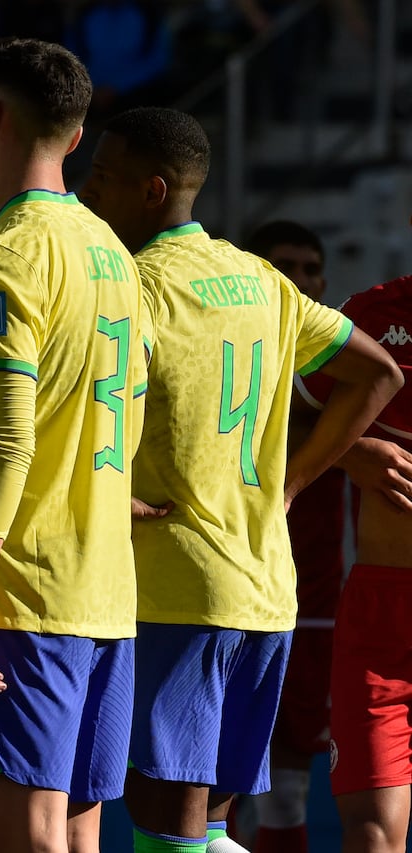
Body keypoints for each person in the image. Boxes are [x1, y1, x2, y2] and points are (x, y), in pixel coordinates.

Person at [77, 106, 401, 853]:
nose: (88, 193)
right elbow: (375, 374)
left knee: (166, 829)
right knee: (209, 825)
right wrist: (288, 487)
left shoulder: (137, 286)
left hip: (177, 587)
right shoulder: (259, 279)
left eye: (103, 176)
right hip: (262, 590)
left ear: (152, 189)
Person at [0, 37, 146, 853]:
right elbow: (122, 401)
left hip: (26, 595)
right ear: (74, 136)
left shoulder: (2, 256)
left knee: (28, 835)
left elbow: (4, 433)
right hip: (106, 594)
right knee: (78, 835)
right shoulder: (113, 252)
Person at [295, 233, 412, 853]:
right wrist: (353, 450)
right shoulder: (371, 315)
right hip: (381, 611)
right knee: (369, 833)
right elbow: (275, 410)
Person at [243, 221, 343, 853]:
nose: (300, 280)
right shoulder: (234, 362)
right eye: (284, 266)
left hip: (320, 610)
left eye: (310, 270)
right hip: (230, 592)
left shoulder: (346, 375)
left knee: (284, 794)